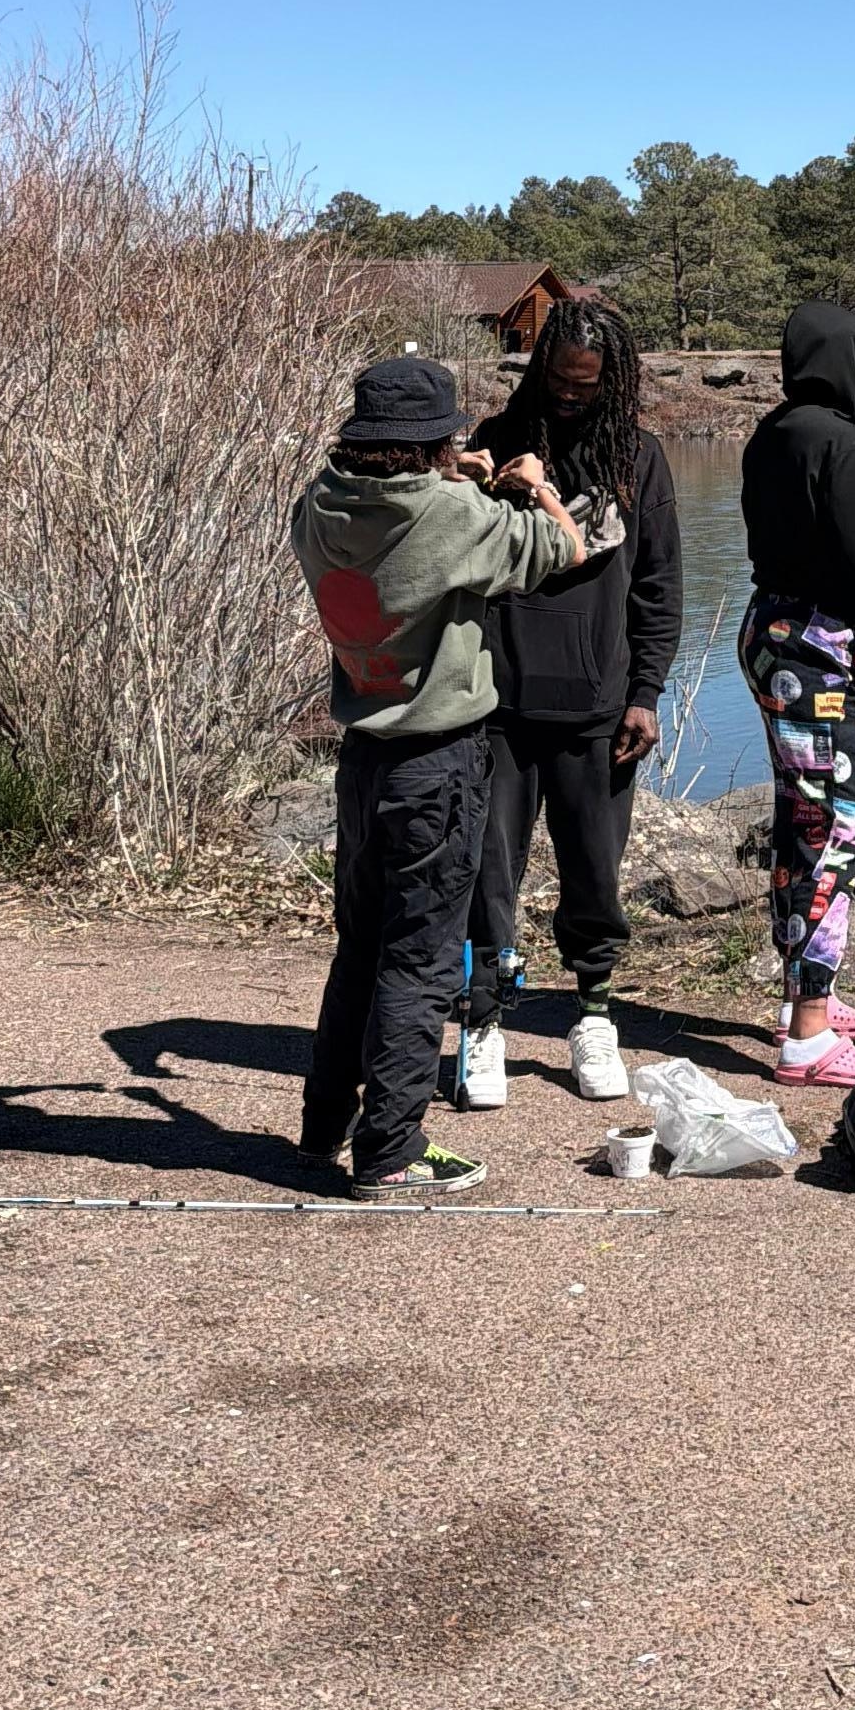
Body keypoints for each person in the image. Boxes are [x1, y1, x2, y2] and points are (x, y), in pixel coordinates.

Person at [290, 351, 589, 1189]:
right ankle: (391, 1148)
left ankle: (325, 1127)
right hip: (439, 763)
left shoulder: (317, 509)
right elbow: (562, 550)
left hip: (363, 757)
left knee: (361, 947)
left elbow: (393, 506)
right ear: (435, 443)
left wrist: (456, 475)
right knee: (420, 959)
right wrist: (529, 484)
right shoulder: (458, 514)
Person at [462, 295, 684, 1109]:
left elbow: (658, 589)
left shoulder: (640, 459)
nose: (569, 394)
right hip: (498, 705)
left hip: (599, 709)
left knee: (595, 876)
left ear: (612, 381)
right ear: (539, 367)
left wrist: (646, 693)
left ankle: (593, 1015)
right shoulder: (491, 446)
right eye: (558, 379)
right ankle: (481, 1023)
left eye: (586, 385)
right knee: (488, 874)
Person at [736, 301, 855, 1091]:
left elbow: (815, 540)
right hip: (819, 662)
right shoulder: (841, 441)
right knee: (834, 831)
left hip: (771, 639)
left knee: (798, 820)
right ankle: (809, 1037)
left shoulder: (770, 434)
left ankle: (805, 999)